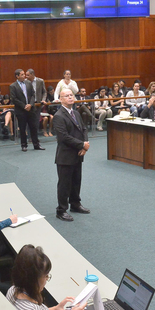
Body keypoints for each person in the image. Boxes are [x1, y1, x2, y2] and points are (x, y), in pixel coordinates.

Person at [54, 88, 89, 221]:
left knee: (76, 181)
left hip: (78, 153)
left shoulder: (76, 113)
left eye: (71, 95)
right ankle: (61, 210)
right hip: (65, 156)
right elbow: (63, 137)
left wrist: (85, 145)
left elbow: (84, 129)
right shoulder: (59, 116)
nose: (70, 97)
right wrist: (82, 145)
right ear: (61, 99)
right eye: (66, 96)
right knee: (64, 184)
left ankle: (75, 204)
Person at [10, 69, 43, 152]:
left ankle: (36, 144)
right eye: (22, 74)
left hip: (31, 109)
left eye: (24, 74)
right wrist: (24, 106)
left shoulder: (28, 83)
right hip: (21, 111)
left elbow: (33, 94)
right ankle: (24, 145)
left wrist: (30, 105)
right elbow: (14, 99)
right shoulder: (13, 86)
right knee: (22, 128)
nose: (24, 76)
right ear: (17, 76)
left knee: (34, 127)